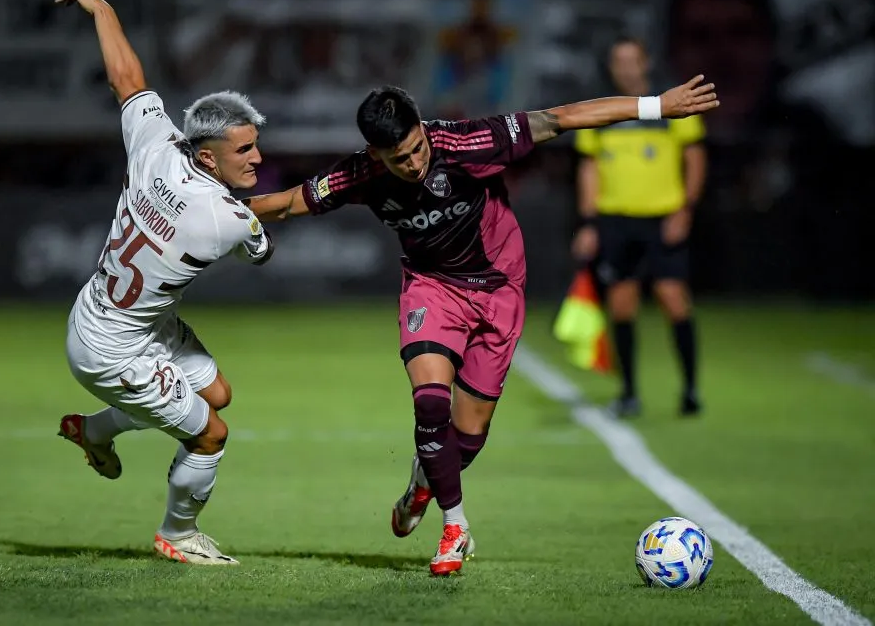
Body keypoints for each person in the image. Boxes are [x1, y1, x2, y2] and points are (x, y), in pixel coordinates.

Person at [246, 78, 718, 575]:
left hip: (498, 290)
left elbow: (562, 118)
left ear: (423, 130)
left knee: (466, 436)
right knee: (430, 402)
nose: (412, 164)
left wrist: (655, 105)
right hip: (432, 287)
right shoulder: (361, 174)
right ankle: (456, 527)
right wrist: (221, 213)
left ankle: (423, 482)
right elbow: (290, 201)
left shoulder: (465, 142)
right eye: (398, 158)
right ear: (375, 153)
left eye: (416, 148)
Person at [52, 0, 273, 565]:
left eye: (257, 146)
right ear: (207, 157)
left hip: (116, 314)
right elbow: (260, 243)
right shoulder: (224, 219)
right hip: (112, 352)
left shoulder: (155, 143)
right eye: (245, 151)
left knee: (218, 393)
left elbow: (127, 79)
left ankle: (96, 431)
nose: (257, 159)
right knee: (211, 434)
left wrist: (102, 10)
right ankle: (176, 534)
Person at [572, 36, 708, 418]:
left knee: (673, 298)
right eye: (619, 61)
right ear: (611, 67)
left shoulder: (673, 105)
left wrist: (686, 210)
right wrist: (589, 222)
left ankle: (691, 389)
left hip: (663, 218)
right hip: (616, 220)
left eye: (633, 60)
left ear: (646, 63)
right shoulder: (600, 112)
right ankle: (629, 392)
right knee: (622, 305)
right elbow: (589, 168)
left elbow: (695, 158)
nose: (627, 67)